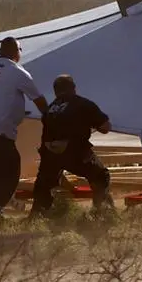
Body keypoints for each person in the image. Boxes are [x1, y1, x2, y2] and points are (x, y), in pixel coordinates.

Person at [0, 36, 49, 219]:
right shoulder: (18, 72)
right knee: (11, 167)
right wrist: (51, 116)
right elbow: (38, 99)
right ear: (17, 53)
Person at [30, 74, 114, 216]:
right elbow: (105, 127)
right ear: (74, 88)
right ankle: (101, 213)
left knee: (44, 183)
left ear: (56, 91)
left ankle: (37, 215)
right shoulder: (82, 104)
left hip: (50, 153)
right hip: (75, 151)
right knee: (101, 175)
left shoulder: (50, 108)